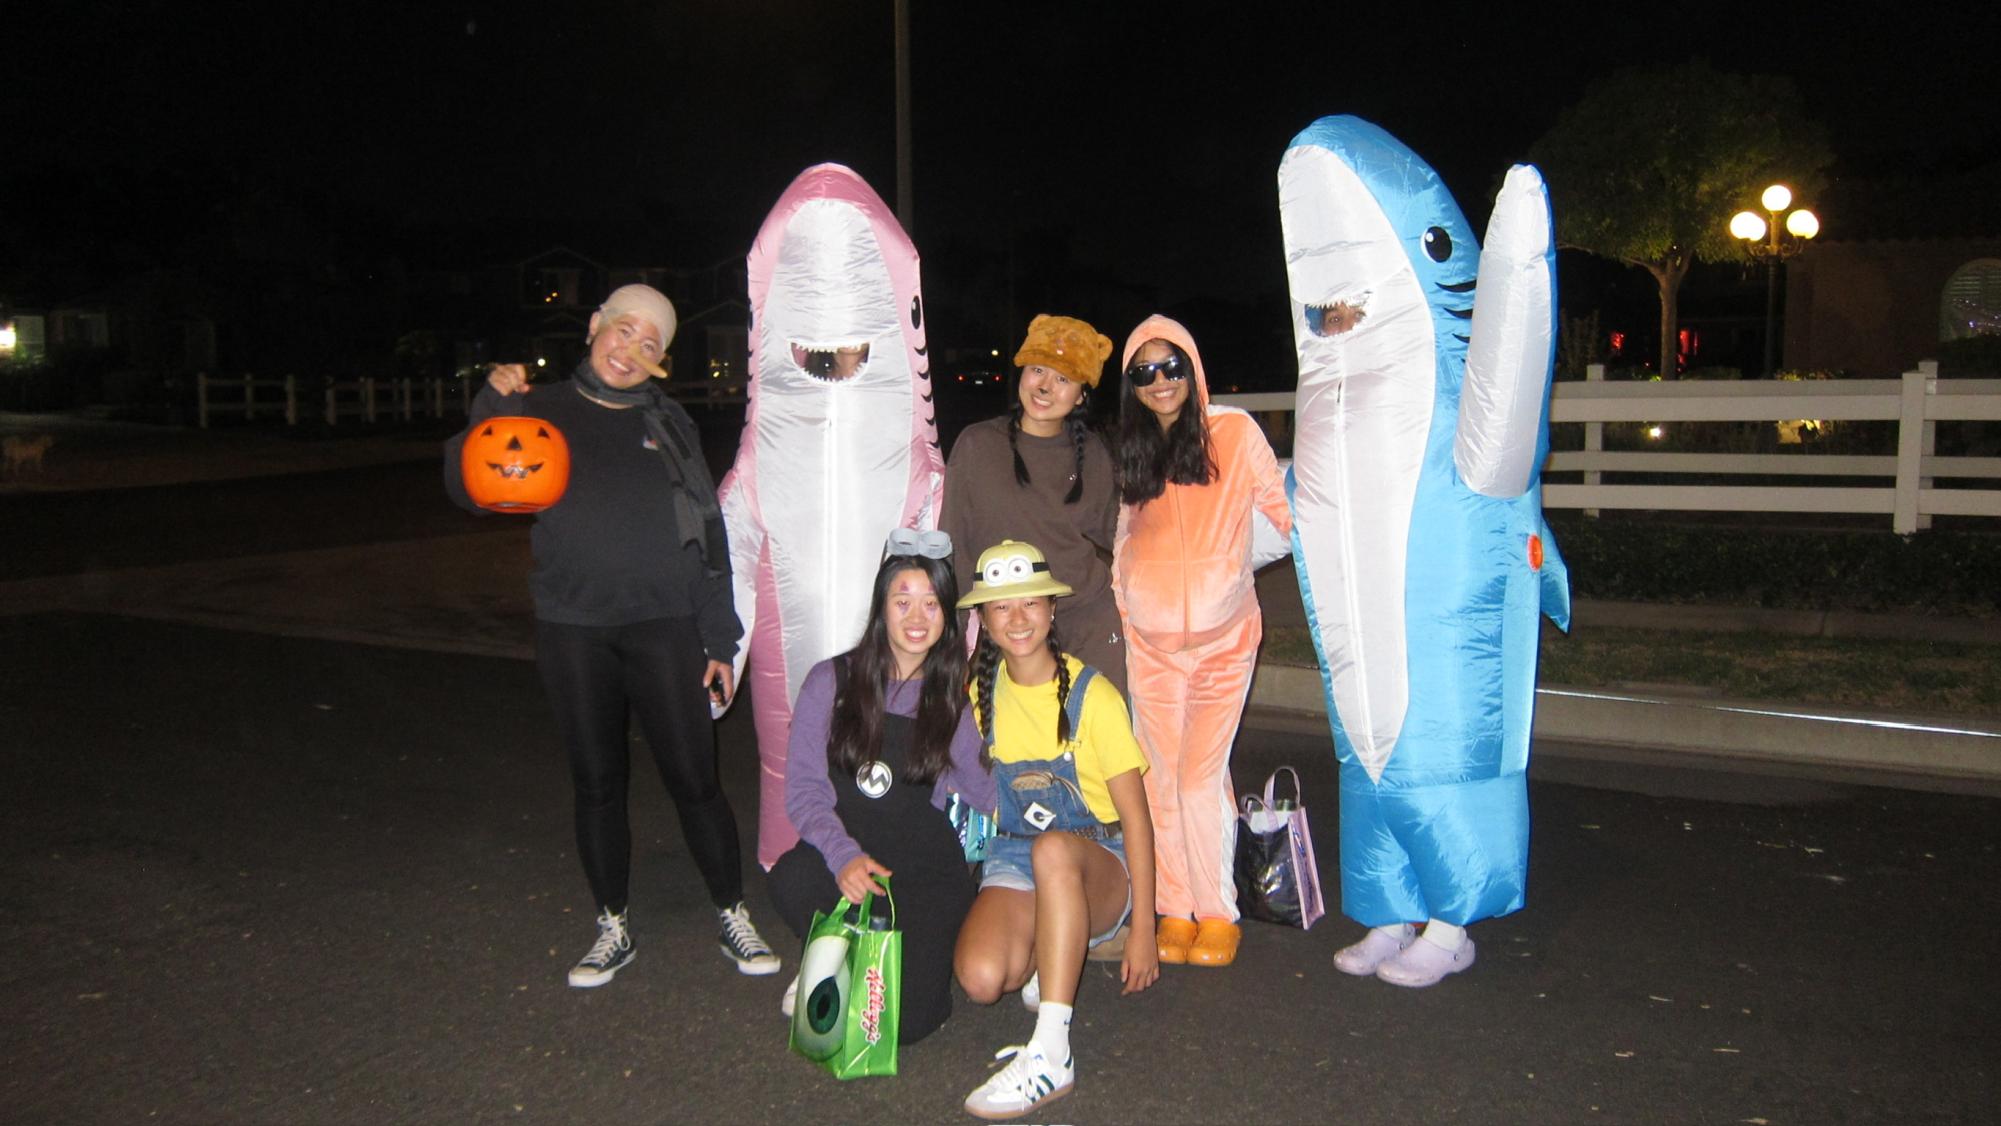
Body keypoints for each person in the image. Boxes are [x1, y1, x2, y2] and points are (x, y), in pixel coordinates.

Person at [443, 284, 780, 988]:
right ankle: (612, 923)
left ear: (659, 362)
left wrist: (719, 636)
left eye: (649, 343)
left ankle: (731, 910)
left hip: (666, 625)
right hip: (574, 627)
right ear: (594, 328)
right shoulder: (538, 410)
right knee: (597, 782)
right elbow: (469, 487)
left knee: (695, 779)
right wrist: (490, 406)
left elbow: (707, 535)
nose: (630, 348)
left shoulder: (671, 423)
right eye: (622, 331)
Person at [951, 539, 1158, 1121]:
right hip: (1018, 857)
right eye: (1000, 607)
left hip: (1098, 863)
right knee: (982, 978)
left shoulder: (1095, 695)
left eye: (1029, 604)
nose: (1017, 619)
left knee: (1052, 850)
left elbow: (1137, 819)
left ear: (1051, 609)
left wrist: (1143, 925)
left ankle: (1052, 1051)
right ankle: (1051, 951)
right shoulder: (979, 693)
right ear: (984, 622)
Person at [1110, 314, 1291, 969]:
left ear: (1191, 367)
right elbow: (1126, 537)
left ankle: (1216, 911)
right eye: (1144, 372)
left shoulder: (1234, 432)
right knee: (1158, 779)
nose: (1160, 382)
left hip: (1222, 642)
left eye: (1171, 366)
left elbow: (1282, 515)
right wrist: (1129, 608)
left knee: (1197, 778)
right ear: (1130, 384)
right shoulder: (1134, 448)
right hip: (1151, 645)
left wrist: (1230, 570)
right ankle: (1174, 908)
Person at [765, 529, 993, 1044]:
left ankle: (872, 952)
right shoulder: (831, 682)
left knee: (906, 1024)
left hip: (924, 873)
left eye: (932, 603)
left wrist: (1061, 817)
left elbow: (988, 793)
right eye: (903, 600)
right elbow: (803, 791)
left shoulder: (950, 704)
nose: (917, 618)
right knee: (790, 877)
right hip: (852, 861)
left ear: (948, 615)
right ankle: (834, 954)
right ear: (880, 607)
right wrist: (843, 856)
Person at [940, 314, 1126, 698]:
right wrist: (952, 642)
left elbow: (1113, 539)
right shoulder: (977, 445)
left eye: (1063, 378)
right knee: (1008, 750)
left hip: (1084, 620)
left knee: (1094, 748)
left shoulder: (1095, 455)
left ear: (1082, 393)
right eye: (1038, 370)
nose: (1045, 387)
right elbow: (953, 545)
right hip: (1010, 626)